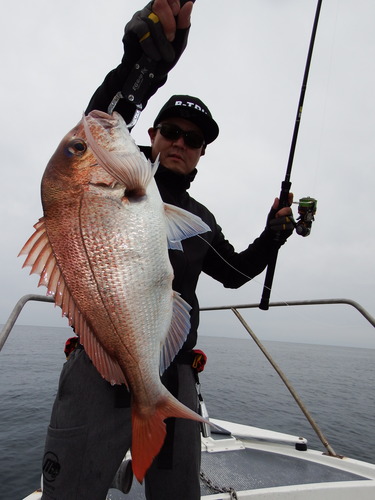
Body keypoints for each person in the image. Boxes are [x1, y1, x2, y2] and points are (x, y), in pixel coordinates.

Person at [41, 1, 294, 499]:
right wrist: (142, 68)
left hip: (173, 373)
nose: (180, 142)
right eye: (171, 131)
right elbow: (99, 124)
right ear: (151, 135)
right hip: (98, 365)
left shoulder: (199, 221)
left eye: (193, 139)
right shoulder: (115, 174)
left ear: (202, 152)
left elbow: (236, 271)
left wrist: (275, 232)